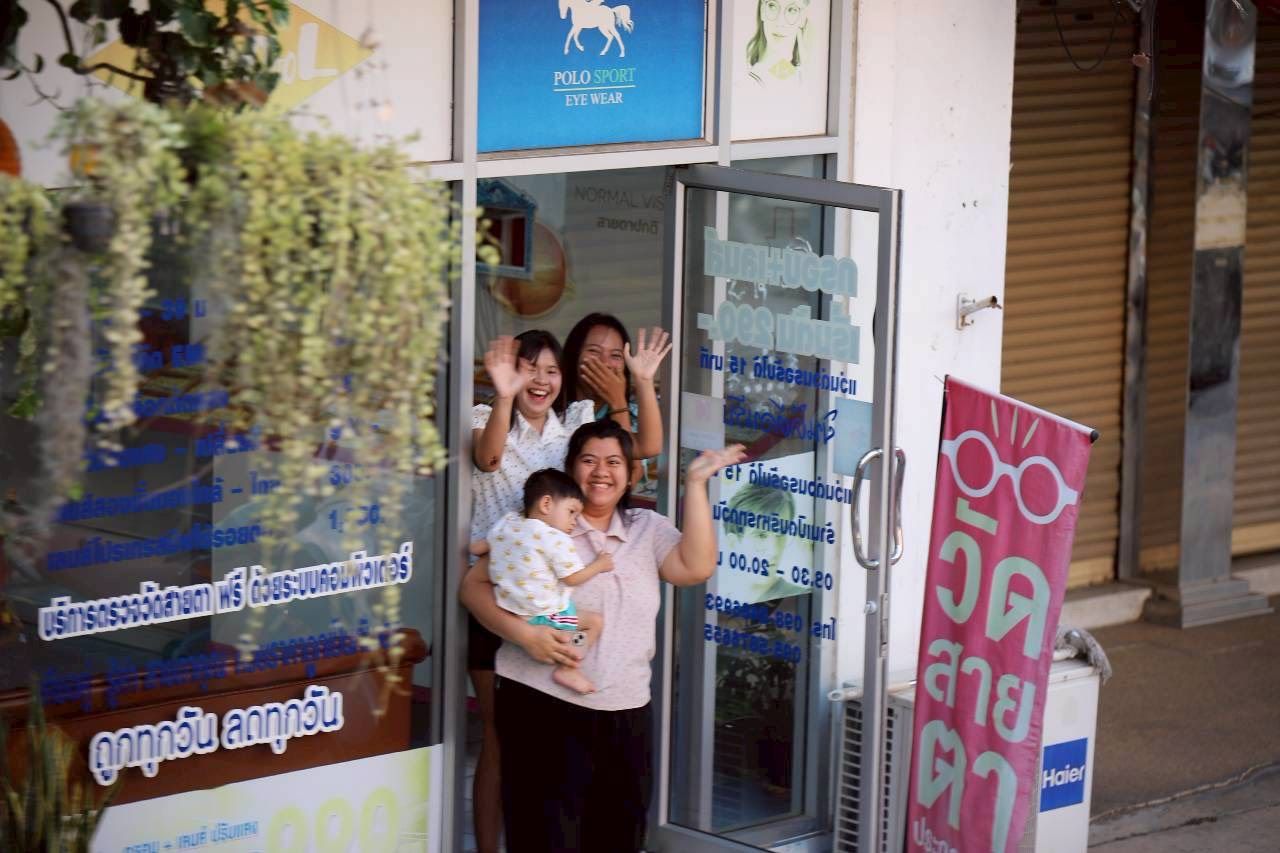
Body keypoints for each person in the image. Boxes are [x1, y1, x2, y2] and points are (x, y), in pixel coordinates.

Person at [461, 419, 746, 852]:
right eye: (588, 460)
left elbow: (695, 567)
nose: (601, 471)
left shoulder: (646, 529)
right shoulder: (542, 527)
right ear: (570, 468)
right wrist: (525, 635)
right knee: (544, 841)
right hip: (540, 707)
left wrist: (696, 486)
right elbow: (473, 587)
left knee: (617, 839)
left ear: (630, 474)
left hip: (625, 711)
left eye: (614, 462)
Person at [468, 329, 594, 853]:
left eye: (551, 370)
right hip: (493, 596)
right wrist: (503, 397)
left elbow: (625, 462)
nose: (540, 381)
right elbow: (488, 459)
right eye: (529, 368)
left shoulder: (575, 428)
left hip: (551, 599)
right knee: (498, 737)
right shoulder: (484, 416)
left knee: (557, 735)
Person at [485, 468, 613, 695]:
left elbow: (484, 545)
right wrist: (599, 564)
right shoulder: (554, 538)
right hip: (540, 614)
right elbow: (572, 578)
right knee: (594, 623)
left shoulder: (511, 522)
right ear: (546, 504)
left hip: (508, 607)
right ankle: (569, 667)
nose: (574, 522)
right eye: (571, 512)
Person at [559, 313, 670, 462]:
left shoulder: (633, 414)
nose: (605, 363)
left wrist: (641, 381)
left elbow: (637, 460)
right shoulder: (552, 409)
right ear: (574, 355)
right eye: (594, 351)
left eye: (615, 355)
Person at [744, 0, 813, 88]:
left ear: (803, 18)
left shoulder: (803, 77)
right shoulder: (747, 85)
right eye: (772, 6)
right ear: (762, 10)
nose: (780, 22)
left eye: (792, 10)